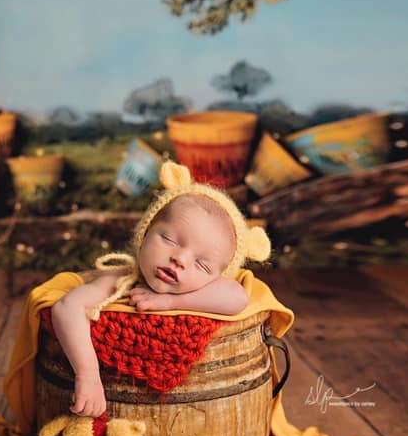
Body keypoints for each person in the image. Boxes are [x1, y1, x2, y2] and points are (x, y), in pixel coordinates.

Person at [50, 161, 271, 417]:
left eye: (201, 265)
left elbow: (238, 298)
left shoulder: (213, 289)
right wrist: (87, 374)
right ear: (145, 233)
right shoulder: (120, 280)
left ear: (217, 276)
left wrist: (169, 302)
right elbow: (67, 307)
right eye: (169, 239)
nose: (180, 259)